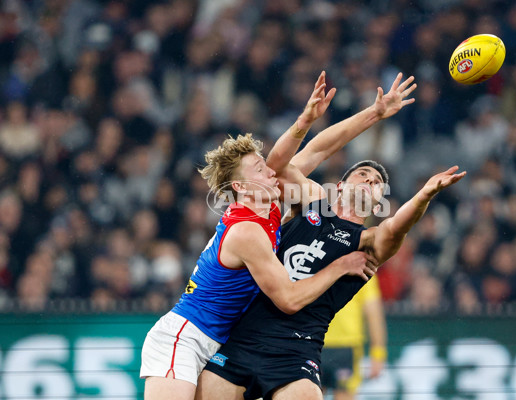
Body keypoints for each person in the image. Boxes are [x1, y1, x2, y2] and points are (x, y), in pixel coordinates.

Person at [199, 73, 466, 400]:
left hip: (297, 351)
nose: (369, 180)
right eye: (362, 174)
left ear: (380, 201)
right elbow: (287, 162)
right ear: (339, 186)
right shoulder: (313, 203)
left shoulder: (368, 241)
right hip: (243, 334)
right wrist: (373, 114)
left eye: (377, 182)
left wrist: (423, 196)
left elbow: (397, 227)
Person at [140, 72, 379, 400]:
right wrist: (340, 266)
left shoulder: (272, 207)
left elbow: (320, 149)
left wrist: (372, 113)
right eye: (260, 169)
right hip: (185, 338)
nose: (271, 171)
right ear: (241, 186)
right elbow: (289, 299)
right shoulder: (247, 231)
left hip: (218, 341)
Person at [321, 275, 387, 400]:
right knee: (344, 395)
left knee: (310, 393)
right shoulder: (362, 266)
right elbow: (373, 312)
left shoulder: (315, 260)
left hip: (314, 341)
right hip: (346, 345)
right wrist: (378, 353)